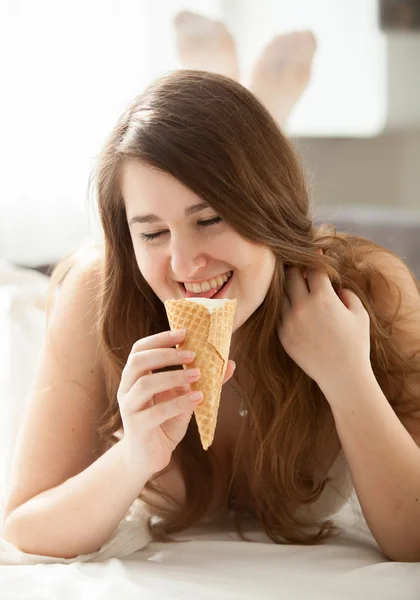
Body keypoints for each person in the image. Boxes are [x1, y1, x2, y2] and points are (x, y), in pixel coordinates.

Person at [2, 68, 420, 563]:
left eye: (209, 219)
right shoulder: (98, 293)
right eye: (153, 233)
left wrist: (348, 376)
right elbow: (25, 528)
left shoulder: (369, 289)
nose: (183, 264)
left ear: (268, 207)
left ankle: (265, 94)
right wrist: (134, 456)